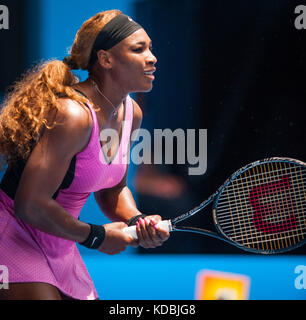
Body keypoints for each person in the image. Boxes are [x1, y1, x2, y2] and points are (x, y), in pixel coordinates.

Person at [0, 10, 169, 300]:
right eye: (138, 49)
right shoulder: (73, 115)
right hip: (12, 232)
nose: (152, 57)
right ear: (105, 59)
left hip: (60, 241)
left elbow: (112, 189)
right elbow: (30, 205)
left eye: (150, 48)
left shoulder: (132, 114)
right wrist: (97, 236)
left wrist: (137, 221)